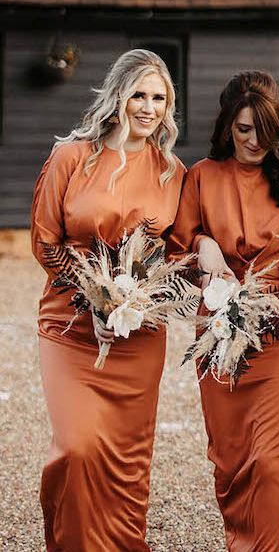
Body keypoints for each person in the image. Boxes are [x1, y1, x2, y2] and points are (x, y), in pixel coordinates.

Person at [31, 49, 185, 552]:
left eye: (159, 97)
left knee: (126, 460)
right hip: (68, 327)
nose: (148, 107)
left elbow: (175, 253)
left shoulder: (171, 171)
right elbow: (44, 240)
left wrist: (139, 301)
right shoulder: (71, 156)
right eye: (139, 94)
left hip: (138, 336)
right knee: (76, 448)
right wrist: (93, 299)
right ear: (118, 94)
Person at [170, 70, 279, 551]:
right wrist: (203, 243)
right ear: (226, 128)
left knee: (270, 457)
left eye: (263, 129)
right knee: (231, 457)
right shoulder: (200, 177)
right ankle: (240, 542)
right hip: (217, 331)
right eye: (243, 130)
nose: (254, 140)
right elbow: (176, 247)